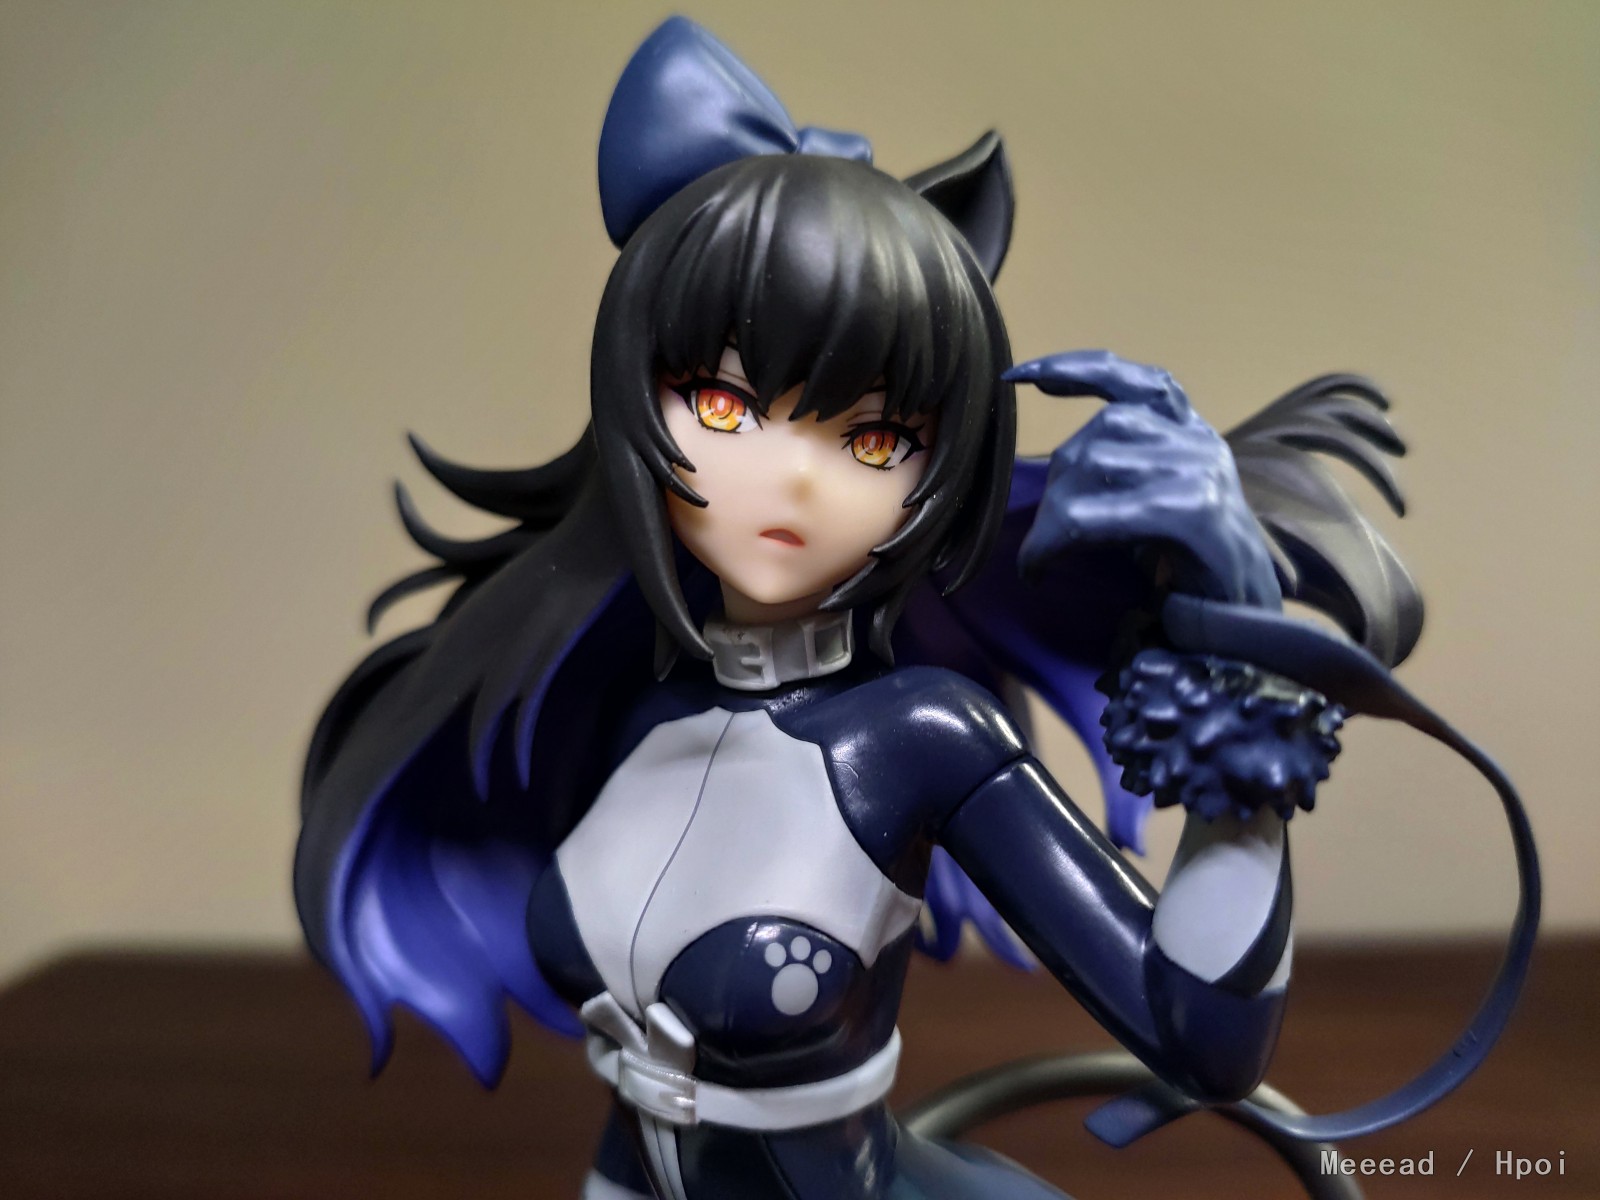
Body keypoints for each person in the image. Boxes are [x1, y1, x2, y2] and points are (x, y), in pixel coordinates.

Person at [295, 18, 1536, 1200]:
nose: (791, 478)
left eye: (874, 437)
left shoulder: (918, 742)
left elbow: (1201, 1037)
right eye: (724, 406)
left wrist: (1236, 705)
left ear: (939, 468)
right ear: (635, 396)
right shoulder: (634, 709)